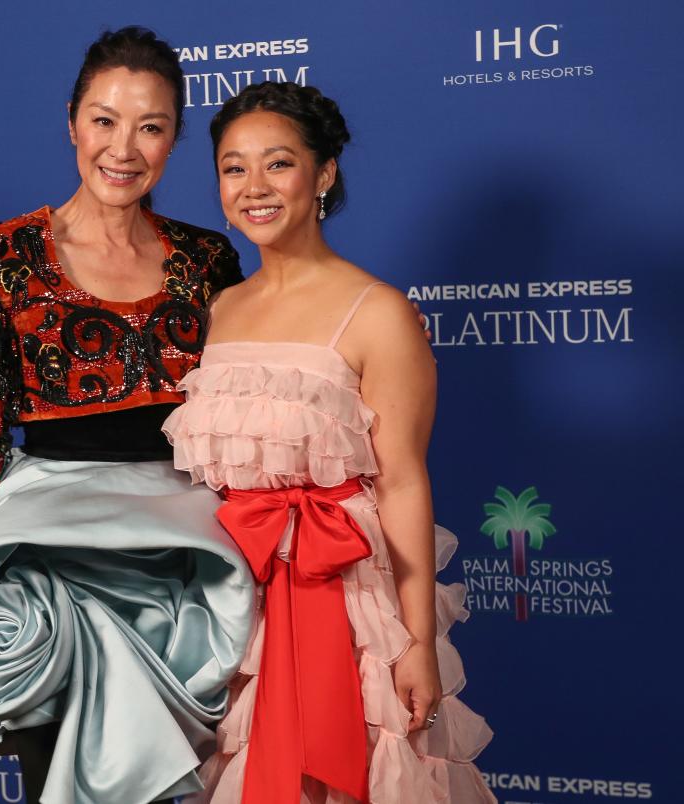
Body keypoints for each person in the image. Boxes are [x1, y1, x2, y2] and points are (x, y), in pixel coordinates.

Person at [0, 28, 257, 804]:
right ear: (71, 121)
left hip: (184, 556)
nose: (123, 148)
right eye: (104, 120)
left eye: (151, 126)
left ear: (174, 138)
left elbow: (234, 422)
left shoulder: (209, 261)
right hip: (49, 547)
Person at [163, 81, 496, 803]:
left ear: (324, 173)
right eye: (233, 167)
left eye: (278, 164)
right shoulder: (219, 308)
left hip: (344, 597)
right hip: (236, 605)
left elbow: (404, 480)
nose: (253, 187)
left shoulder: (378, 312)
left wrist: (416, 644)